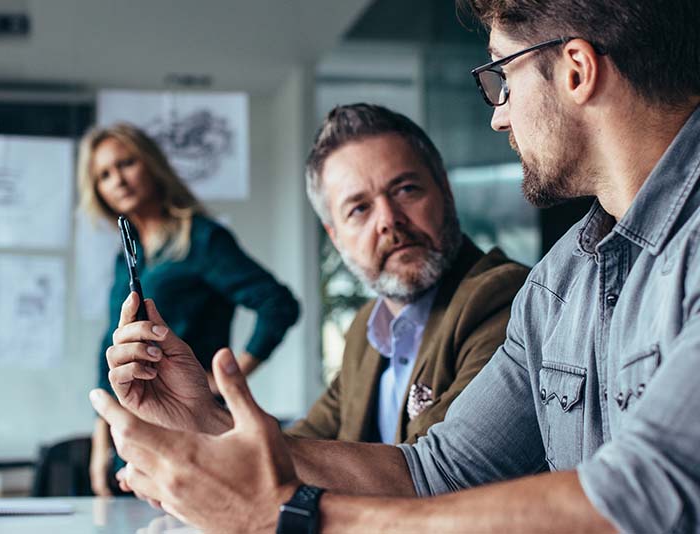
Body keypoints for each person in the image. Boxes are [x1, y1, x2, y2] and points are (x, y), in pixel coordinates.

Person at [90, 0, 700, 530]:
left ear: (575, 70)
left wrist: (288, 517)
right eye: (357, 208)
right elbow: (439, 469)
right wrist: (206, 418)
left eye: (502, 79)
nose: (499, 114)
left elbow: (648, 498)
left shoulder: (527, 289)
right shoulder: (561, 283)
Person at [283, 104, 528, 445]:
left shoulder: (503, 298)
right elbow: (303, 444)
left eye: (406, 190)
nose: (388, 220)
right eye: (359, 208)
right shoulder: (366, 329)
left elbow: (433, 467)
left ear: (445, 190)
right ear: (336, 237)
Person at [76, 123, 300, 496]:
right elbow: (110, 347)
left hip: (187, 427)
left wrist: (228, 377)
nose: (118, 180)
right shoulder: (126, 258)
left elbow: (278, 304)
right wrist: (102, 441)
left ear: (151, 164)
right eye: (103, 175)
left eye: (126, 163)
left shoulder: (202, 239)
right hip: (129, 435)